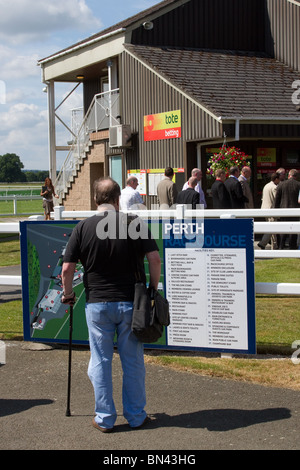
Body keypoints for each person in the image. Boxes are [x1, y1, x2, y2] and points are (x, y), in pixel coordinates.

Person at [61, 177, 161, 432]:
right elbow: (154, 258)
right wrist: (153, 287)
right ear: (118, 199)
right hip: (131, 303)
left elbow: (67, 268)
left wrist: (68, 294)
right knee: (133, 362)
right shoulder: (134, 223)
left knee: (100, 361)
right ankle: (136, 415)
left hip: (97, 304)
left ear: (95, 200)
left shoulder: (83, 227)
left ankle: (105, 417)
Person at [274, 169, 300, 249]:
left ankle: (281, 247)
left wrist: (275, 210)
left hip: (283, 211)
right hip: (295, 211)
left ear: (289, 175)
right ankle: (292, 248)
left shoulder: (281, 185)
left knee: (283, 230)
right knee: (293, 231)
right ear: (296, 176)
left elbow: (276, 199)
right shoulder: (298, 185)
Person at [257, 172, 280, 250]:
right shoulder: (274, 187)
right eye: (279, 179)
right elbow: (276, 199)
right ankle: (266, 244)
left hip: (264, 209)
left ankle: (266, 243)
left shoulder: (266, 186)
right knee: (273, 228)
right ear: (276, 179)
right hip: (271, 210)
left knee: (270, 227)